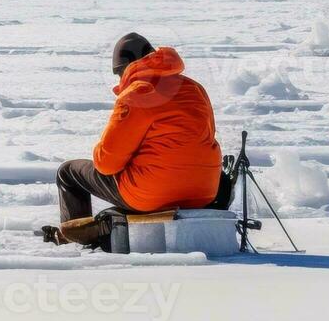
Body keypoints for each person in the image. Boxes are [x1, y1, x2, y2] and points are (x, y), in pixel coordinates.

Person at [55, 32, 221, 223]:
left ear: (125, 69)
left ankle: (75, 235)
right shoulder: (194, 88)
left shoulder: (136, 94)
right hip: (203, 191)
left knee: (68, 172)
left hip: (151, 195)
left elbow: (107, 163)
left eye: (119, 74)